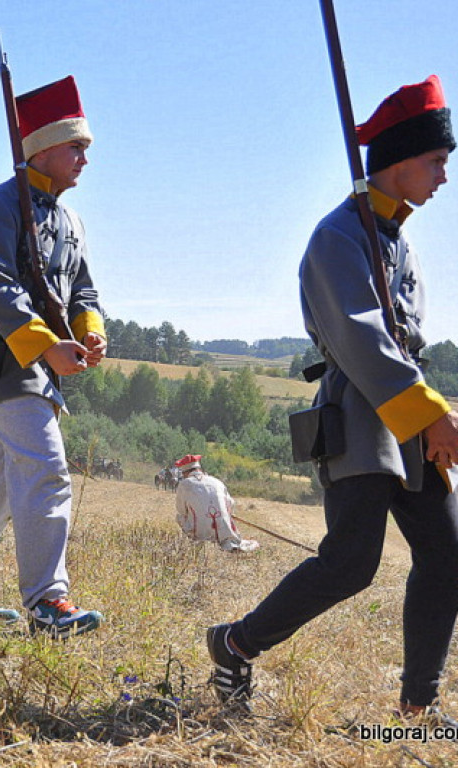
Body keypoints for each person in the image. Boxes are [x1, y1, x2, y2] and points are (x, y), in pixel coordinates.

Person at [207, 76, 458, 721]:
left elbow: (408, 342)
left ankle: (416, 708)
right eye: (437, 161)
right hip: (359, 414)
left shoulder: (397, 240)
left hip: (407, 414)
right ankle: (234, 643)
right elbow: (359, 339)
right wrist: (431, 413)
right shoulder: (338, 237)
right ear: (399, 161)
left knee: (448, 554)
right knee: (350, 563)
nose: (444, 177)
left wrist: (427, 416)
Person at [0, 76, 107, 637]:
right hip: (6, 364)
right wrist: (46, 346)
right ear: (42, 147)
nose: (83, 158)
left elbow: (82, 289)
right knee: (49, 471)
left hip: (38, 365)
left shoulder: (70, 220)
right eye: (75, 146)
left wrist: (88, 329)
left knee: (1, 481)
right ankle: (48, 603)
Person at [173, 454, 257, 552]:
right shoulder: (217, 481)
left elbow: (181, 510)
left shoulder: (184, 484)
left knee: (179, 517)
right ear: (199, 468)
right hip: (226, 533)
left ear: (185, 472)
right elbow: (231, 504)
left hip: (201, 534)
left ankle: (196, 539)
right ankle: (227, 539)